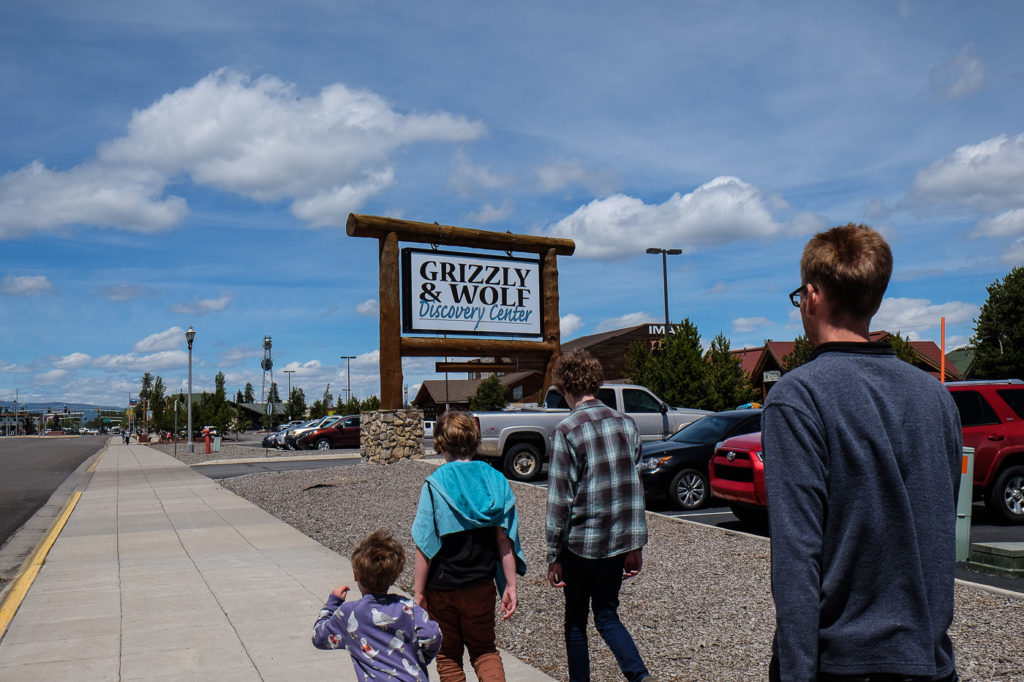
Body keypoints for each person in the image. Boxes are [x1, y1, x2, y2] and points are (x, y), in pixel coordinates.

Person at [763, 223, 962, 682]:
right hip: (930, 661)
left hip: (842, 664)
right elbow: (936, 524)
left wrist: (795, 673)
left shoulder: (798, 397)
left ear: (811, 297)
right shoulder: (937, 398)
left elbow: (797, 557)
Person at [545, 349, 654, 682]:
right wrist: (634, 545)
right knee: (607, 616)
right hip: (616, 542)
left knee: (576, 620)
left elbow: (559, 499)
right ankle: (639, 676)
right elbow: (632, 491)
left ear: (565, 387)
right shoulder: (627, 424)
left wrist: (553, 554)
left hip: (579, 544)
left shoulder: (567, 429)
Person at [412, 410, 526, 681]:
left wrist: (418, 593)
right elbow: (505, 541)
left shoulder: (434, 484)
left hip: (442, 587)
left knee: (448, 655)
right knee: (484, 650)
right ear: (475, 441)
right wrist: (510, 585)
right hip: (481, 585)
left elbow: (424, 544)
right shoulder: (496, 479)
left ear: (441, 444)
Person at [312, 529, 441, 681]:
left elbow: (319, 637)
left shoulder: (350, 613)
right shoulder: (409, 608)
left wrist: (332, 604)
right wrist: (420, 658)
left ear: (356, 575)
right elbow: (433, 635)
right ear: (395, 576)